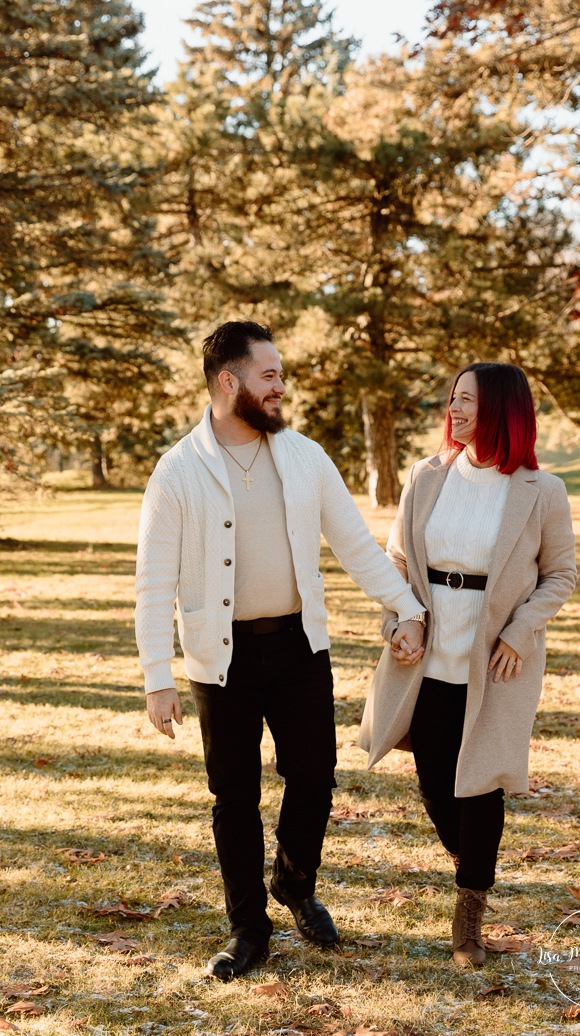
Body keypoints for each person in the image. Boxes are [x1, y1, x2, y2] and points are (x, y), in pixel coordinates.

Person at [134, 321, 426, 980]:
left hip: (298, 646)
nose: (281, 387)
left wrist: (407, 607)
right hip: (221, 658)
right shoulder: (177, 471)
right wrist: (158, 676)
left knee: (314, 775)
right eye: (268, 375)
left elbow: (355, 546)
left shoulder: (303, 456)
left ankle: (294, 884)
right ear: (228, 381)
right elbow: (153, 582)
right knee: (233, 796)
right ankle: (248, 930)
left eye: (281, 375)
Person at [358, 362, 576, 967]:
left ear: (502, 410)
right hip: (426, 657)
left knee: (478, 784)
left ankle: (468, 918)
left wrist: (520, 633)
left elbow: (560, 575)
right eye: (452, 398)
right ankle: (474, 863)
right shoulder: (425, 476)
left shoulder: (542, 491)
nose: (453, 410)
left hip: (497, 664)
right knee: (435, 784)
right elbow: (397, 560)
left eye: (467, 401)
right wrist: (400, 620)